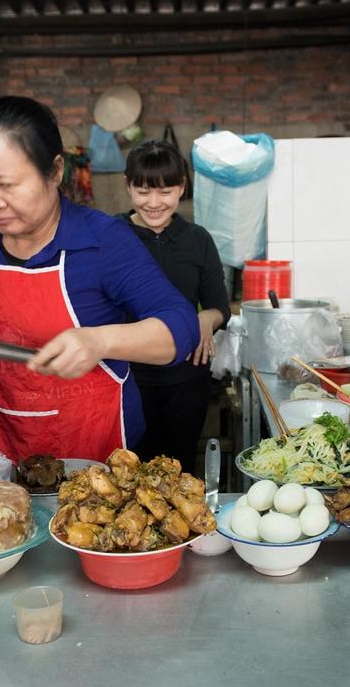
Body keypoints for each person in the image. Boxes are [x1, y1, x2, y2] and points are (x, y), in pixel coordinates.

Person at [0, 96, 200, 463]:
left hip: (95, 460)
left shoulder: (103, 241)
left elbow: (181, 329)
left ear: (55, 171)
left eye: (7, 184)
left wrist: (99, 340)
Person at [120, 140, 230, 474]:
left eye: (165, 192)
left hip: (185, 379)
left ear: (181, 189)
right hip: (125, 380)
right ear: (128, 188)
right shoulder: (111, 236)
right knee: (126, 472)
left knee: (177, 469)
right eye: (143, 191)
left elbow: (219, 306)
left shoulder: (198, 239)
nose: (154, 203)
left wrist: (205, 319)